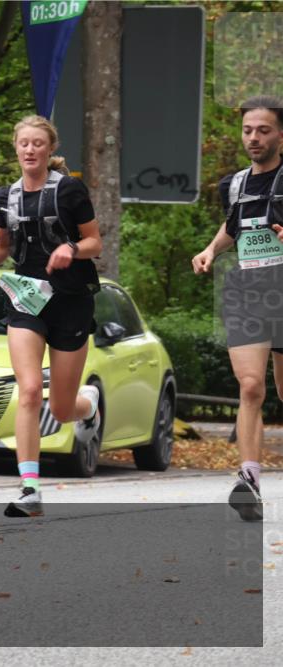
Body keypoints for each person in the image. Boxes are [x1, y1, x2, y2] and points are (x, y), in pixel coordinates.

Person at [0, 115, 103, 518]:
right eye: (24, 143)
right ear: (16, 148)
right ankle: (30, 489)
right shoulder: (6, 196)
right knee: (30, 390)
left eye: (38, 143)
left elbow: (95, 241)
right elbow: (3, 245)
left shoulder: (69, 190)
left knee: (61, 409)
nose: (30, 149)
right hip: (27, 299)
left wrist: (72, 249)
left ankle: (87, 406)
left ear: (50, 148)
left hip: (71, 300)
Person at [191, 95, 283, 523]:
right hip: (248, 290)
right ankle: (248, 482)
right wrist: (210, 250)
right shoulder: (234, 184)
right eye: (248, 130)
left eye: (263, 130)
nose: (254, 138)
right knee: (250, 387)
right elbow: (233, 226)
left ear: (280, 134)